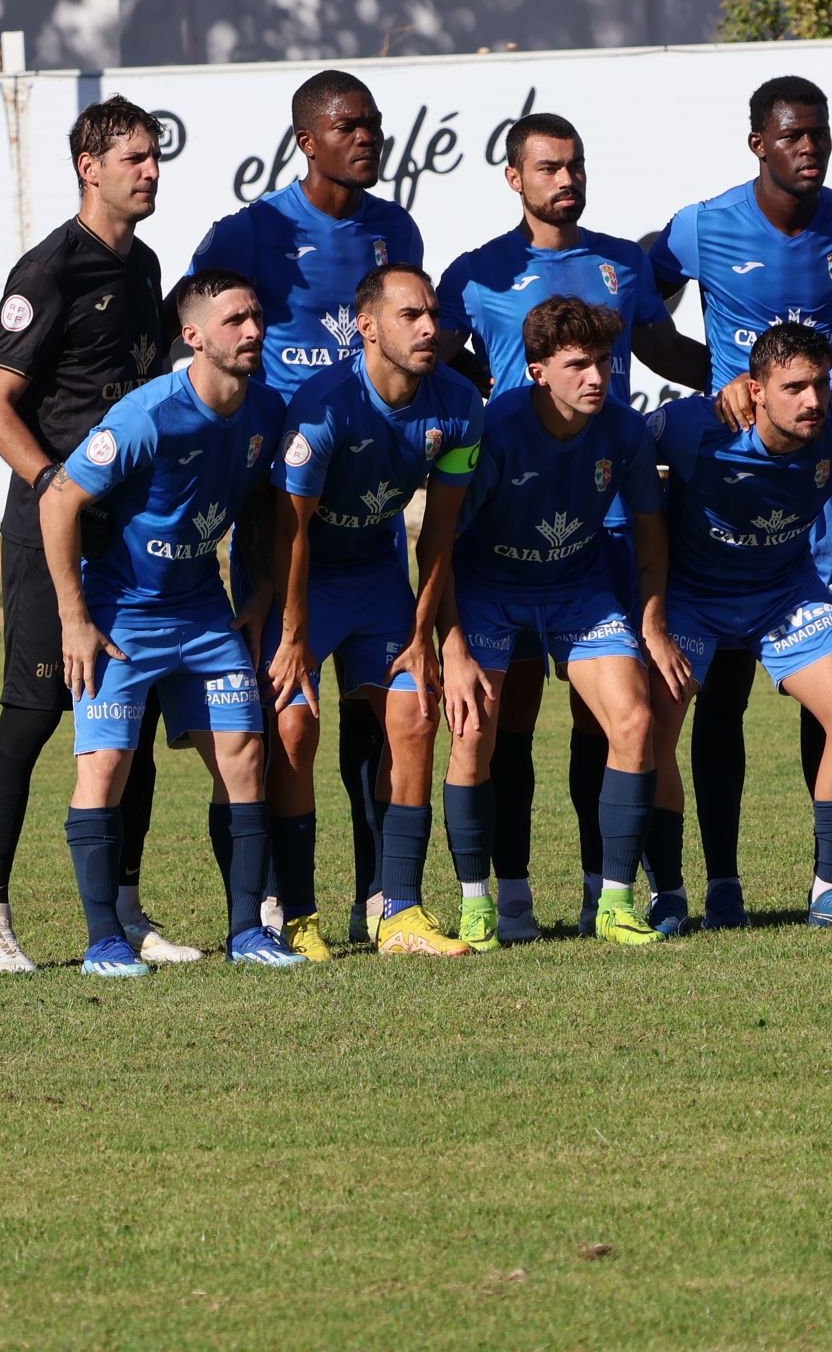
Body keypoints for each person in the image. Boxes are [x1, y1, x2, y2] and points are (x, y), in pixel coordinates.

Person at [647, 76, 832, 929]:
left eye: (821, 134)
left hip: (814, 482)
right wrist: (718, 387)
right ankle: (702, 884)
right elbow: (640, 309)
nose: (810, 147)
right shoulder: (702, 224)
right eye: (793, 135)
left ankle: (830, 880)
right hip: (721, 471)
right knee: (713, 698)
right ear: (760, 143)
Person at [436, 112, 709, 941]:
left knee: (620, 720)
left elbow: (663, 353)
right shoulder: (478, 276)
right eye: (549, 166)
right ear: (515, 177)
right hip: (497, 556)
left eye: (576, 165)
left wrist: (753, 384)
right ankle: (498, 899)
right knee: (498, 722)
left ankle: (610, 895)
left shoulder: (623, 265)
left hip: (597, 541)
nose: (567, 179)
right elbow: (437, 358)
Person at [192, 70, 423, 939]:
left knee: (383, 714)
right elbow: (207, 334)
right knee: (285, 725)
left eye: (373, 123)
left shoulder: (394, 228)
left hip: (368, 517)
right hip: (278, 514)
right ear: (307, 140)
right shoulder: (249, 232)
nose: (367, 137)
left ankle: (385, 900)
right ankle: (286, 904)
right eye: (348, 125)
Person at [0, 96, 187, 974]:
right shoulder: (49, 270)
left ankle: (125, 911)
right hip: (48, 535)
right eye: (134, 157)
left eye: (156, 156)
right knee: (33, 717)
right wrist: (54, 484)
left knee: (130, 717)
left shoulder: (148, 268)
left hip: (128, 536)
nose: (151, 170)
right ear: (89, 166)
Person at [43, 270, 301, 974]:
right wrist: (74, 618)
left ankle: (249, 931)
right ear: (193, 337)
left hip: (203, 610)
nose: (252, 331)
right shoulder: (147, 414)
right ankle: (103, 943)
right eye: (234, 321)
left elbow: (268, 507)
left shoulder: (267, 411)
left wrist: (263, 587)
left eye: (256, 316)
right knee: (106, 766)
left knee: (246, 758)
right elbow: (58, 502)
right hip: (122, 615)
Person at [438, 296, 676, 948]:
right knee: (473, 729)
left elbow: (652, 533)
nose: (596, 377)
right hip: (489, 591)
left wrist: (651, 623)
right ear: (538, 371)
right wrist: (452, 645)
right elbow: (440, 545)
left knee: (634, 720)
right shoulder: (497, 430)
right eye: (578, 365)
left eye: (603, 361)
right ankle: (476, 904)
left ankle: (616, 904)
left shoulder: (623, 432)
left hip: (578, 590)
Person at [265, 263, 485, 958]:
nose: (429, 328)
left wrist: (426, 636)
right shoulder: (324, 404)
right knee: (294, 727)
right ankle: (297, 916)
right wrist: (293, 635)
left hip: (375, 576)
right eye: (410, 316)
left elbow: (440, 536)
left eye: (433, 315)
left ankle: (401, 914)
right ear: (366, 326)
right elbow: (288, 532)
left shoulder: (458, 405)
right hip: (303, 581)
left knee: (417, 715)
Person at [645, 323, 832, 929]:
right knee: (648, 729)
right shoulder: (692, 428)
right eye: (794, 387)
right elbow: (616, 439)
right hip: (691, 598)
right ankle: (668, 895)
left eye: (820, 384)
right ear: (755, 390)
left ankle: (831, 891)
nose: (812, 400)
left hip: (782, 594)